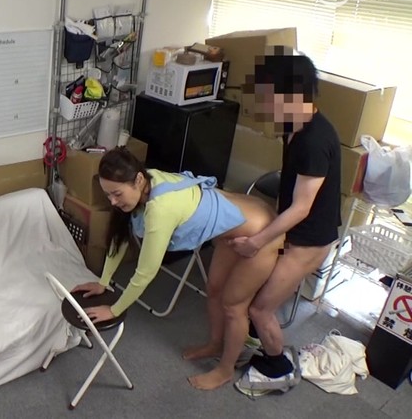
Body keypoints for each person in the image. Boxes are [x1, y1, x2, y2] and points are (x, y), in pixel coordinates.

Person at [71, 147, 283, 390]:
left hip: (262, 233)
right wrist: (103, 281)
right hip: (235, 226)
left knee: (234, 306)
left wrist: (114, 309)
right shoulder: (145, 179)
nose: (112, 202)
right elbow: (120, 237)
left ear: (138, 180)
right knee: (214, 289)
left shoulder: (160, 208)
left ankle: (225, 370)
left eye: (117, 194)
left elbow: (145, 272)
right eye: (108, 195)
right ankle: (216, 345)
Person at [230, 49, 341, 394]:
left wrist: (257, 241)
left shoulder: (314, 140)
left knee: (261, 309)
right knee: (255, 292)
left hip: (310, 241)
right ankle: (256, 343)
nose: (264, 104)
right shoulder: (292, 126)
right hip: (293, 230)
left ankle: (278, 369)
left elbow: (302, 208)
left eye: (269, 96)